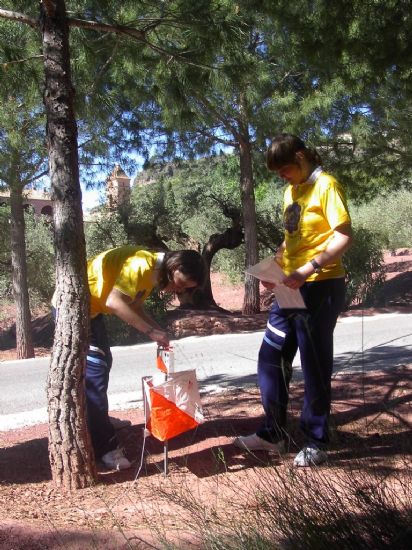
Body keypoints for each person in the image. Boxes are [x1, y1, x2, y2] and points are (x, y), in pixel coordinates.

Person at [234, 133, 352, 466]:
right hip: (290, 286)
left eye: (284, 169)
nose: (281, 177)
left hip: (320, 285)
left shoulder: (327, 186)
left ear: (301, 157)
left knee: (315, 365)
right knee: (271, 355)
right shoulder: (291, 191)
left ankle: (316, 440)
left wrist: (308, 268)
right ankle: (273, 434)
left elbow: (344, 235)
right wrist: (276, 267)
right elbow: (292, 239)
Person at [53, 246, 206, 470]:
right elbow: (114, 302)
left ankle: (98, 420)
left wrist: (157, 331)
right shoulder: (141, 265)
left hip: (90, 312)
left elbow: (134, 306)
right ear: (174, 267)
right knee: (95, 375)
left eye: (182, 289)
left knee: (104, 365)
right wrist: (150, 332)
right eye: (179, 284)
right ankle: (105, 446)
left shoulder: (153, 271)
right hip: (72, 309)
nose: (176, 290)